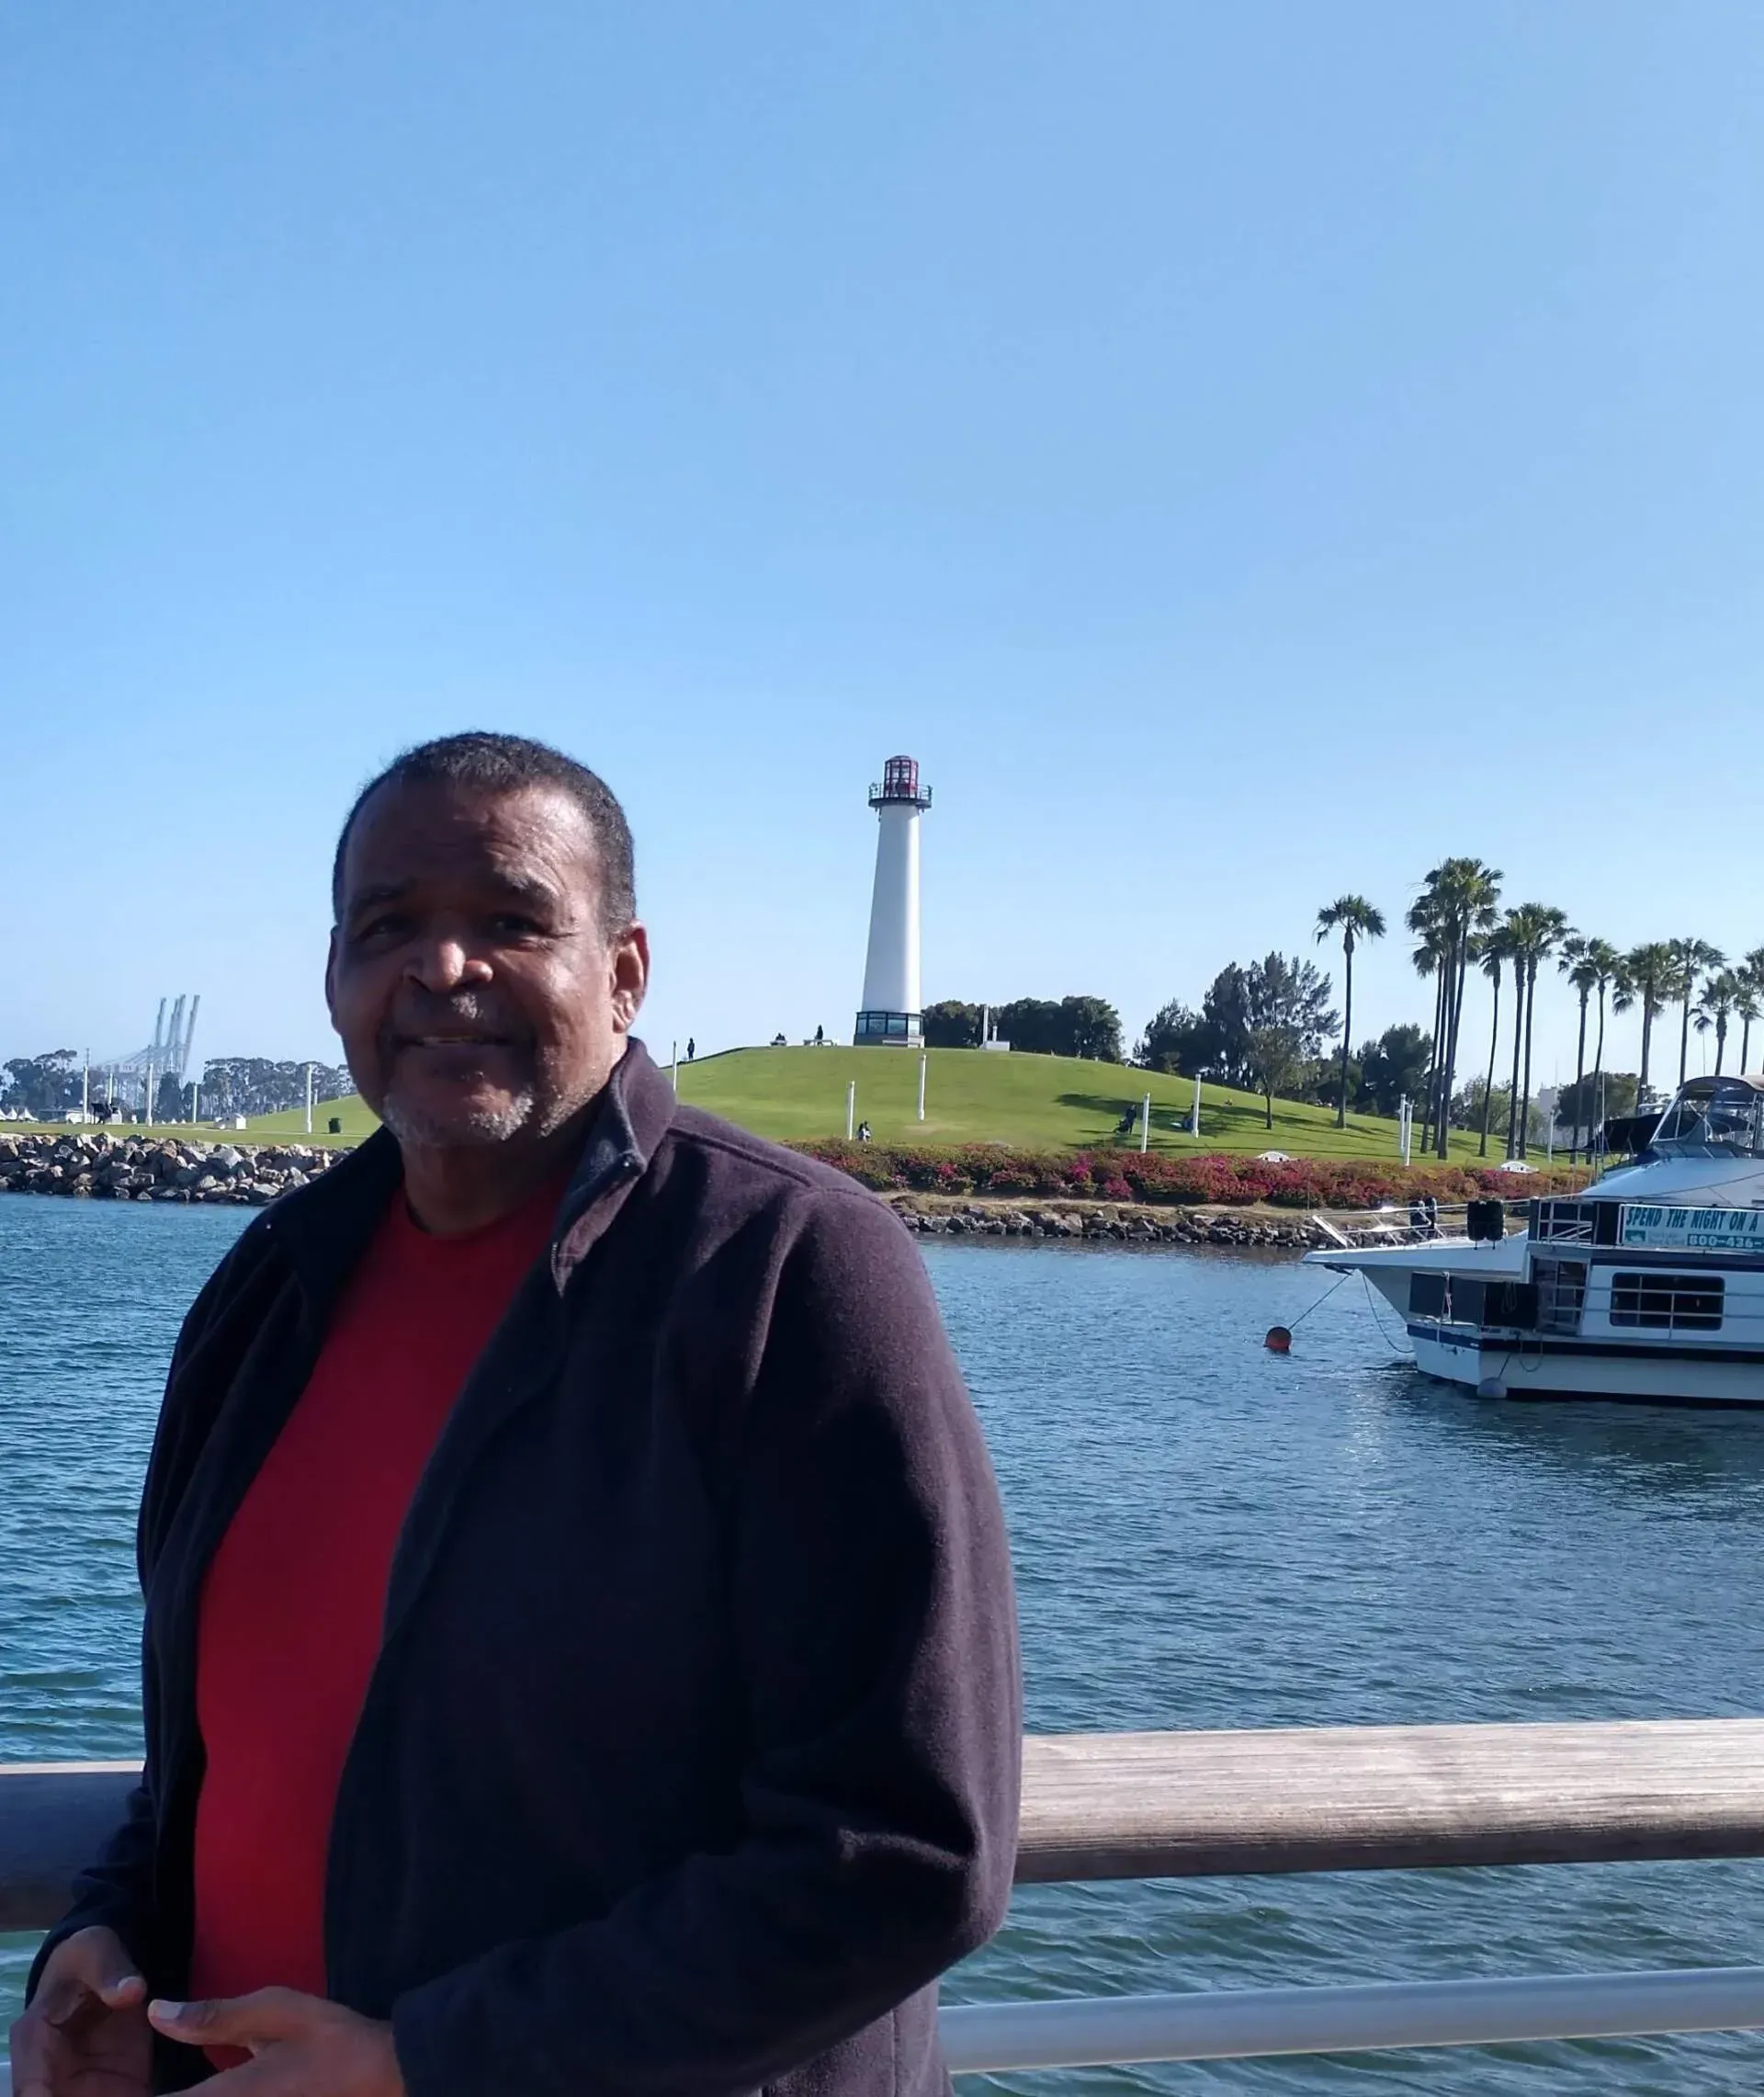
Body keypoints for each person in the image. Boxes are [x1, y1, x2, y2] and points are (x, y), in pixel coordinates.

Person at [12, 732, 1021, 2097]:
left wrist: (432, 2060)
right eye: (390, 926)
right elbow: (210, 1750)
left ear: (625, 971)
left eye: (508, 919)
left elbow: (909, 1844)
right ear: (332, 979)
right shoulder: (269, 1289)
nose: (441, 967)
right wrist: (106, 1933)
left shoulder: (790, 1273)